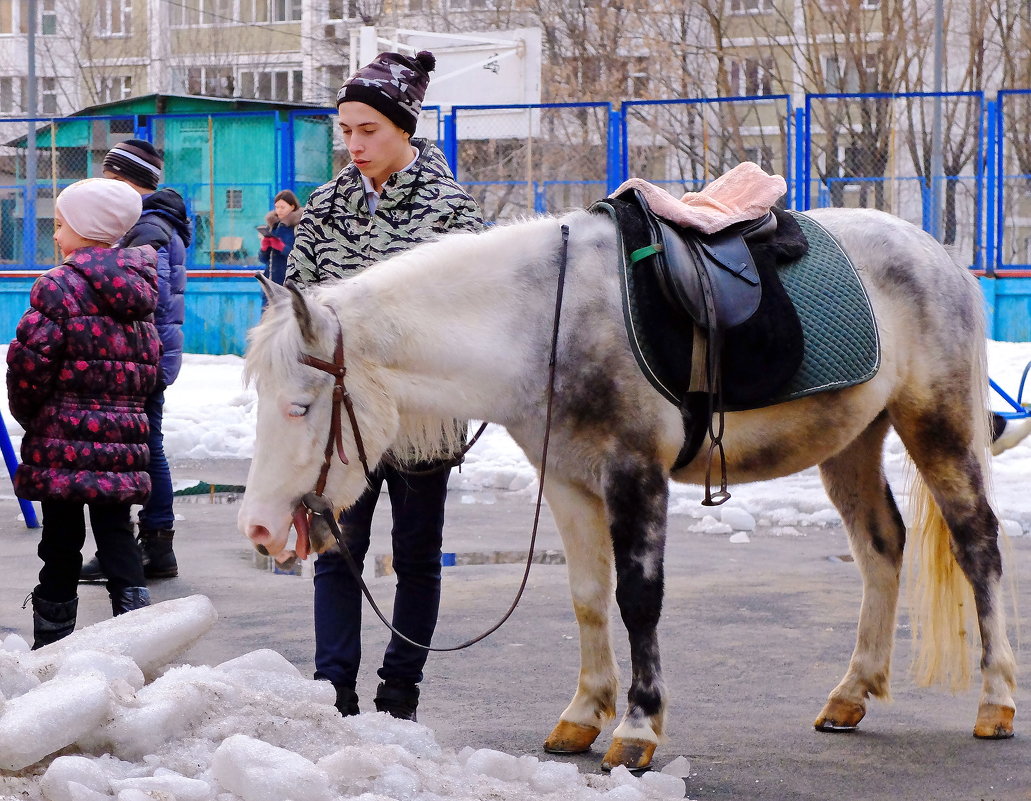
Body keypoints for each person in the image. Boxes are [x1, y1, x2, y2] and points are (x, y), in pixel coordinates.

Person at [287, 50, 483, 721]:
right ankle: (330, 688)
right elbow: (295, 308)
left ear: (403, 127)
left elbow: (473, 315)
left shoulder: (450, 209)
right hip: (341, 422)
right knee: (336, 551)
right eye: (345, 129)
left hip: (421, 416)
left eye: (367, 129)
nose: (353, 143)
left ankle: (400, 691)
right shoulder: (323, 205)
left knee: (416, 555)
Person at [8, 178, 161, 648]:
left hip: (61, 440)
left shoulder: (57, 287)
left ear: (84, 228)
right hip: (121, 441)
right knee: (118, 537)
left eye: (60, 224)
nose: (55, 235)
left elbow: (29, 365)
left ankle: (52, 649)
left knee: (60, 543)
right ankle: (139, 643)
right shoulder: (139, 289)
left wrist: (31, 414)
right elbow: (148, 368)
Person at [79, 139, 191, 583]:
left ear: (127, 182)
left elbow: (146, 297)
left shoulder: (151, 228)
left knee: (144, 450)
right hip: (144, 354)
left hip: (143, 356)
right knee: (142, 448)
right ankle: (145, 546)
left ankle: (150, 546)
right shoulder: (151, 223)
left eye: (109, 180)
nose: (103, 189)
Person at [258, 189, 302, 286]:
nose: (279, 210)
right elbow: (262, 259)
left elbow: (301, 257)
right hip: (270, 281)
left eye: (282, 207)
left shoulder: (298, 227)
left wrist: (282, 247)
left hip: (290, 282)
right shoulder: (273, 226)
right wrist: (264, 248)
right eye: (277, 207)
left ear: (292, 206)